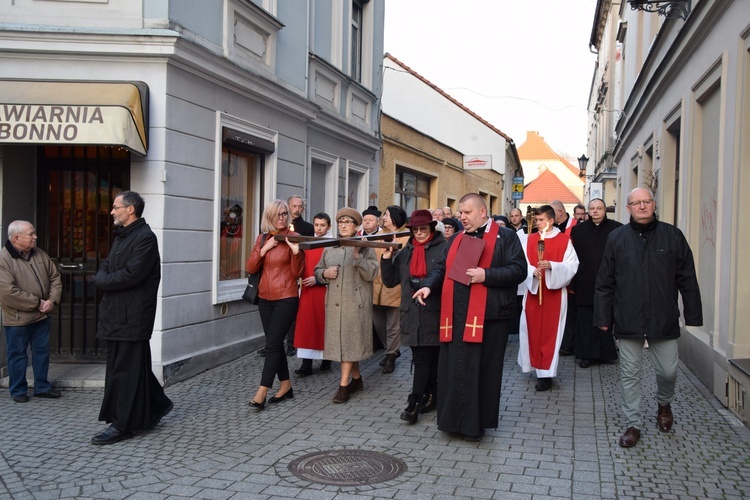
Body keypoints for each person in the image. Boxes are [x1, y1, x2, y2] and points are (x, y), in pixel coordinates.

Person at [594, 188, 702, 448]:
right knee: (629, 373)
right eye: (636, 203)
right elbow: (605, 281)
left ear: (654, 204)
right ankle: (633, 424)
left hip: (662, 318)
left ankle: (664, 404)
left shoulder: (672, 236)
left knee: (668, 371)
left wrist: (693, 314)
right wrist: (602, 316)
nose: (642, 207)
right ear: (628, 208)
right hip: (627, 317)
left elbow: (687, 277)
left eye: (646, 202)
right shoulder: (617, 238)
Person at [413, 193, 526, 440]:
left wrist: (487, 275)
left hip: (490, 317)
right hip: (457, 315)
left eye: (467, 212)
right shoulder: (455, 240)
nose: (461, 217)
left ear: (483, 212)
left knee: (483, 372)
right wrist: (429, 286)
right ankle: (452, 422)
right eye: (460, 213)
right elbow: (442, 268)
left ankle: (476, 426)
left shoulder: (505, 237)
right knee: (454, 369)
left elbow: (519, 270)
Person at [92, 191, 173, 445]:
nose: (112, 211)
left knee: (125, 371)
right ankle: (156, 405)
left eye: (116, 207)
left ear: (131, 210)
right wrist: (103, 277)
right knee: (129, 366)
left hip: (132, 317)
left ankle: (122, 426)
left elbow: (131, 275)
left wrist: (102, 281)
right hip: (116, 315)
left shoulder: (145, 238)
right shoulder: (122, 237)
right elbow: (106, 265)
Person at [381, 209, 448, 424]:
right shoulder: (406, 252)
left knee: (431, 359)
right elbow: (390, 281)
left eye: (423, 229)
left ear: (430, 228)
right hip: (411, 312)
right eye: (415, 229)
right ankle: (420, 400)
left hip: (434, 311)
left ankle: (423, 398)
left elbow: (443, 275)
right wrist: (386, 258)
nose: (419, 233)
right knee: (421, 359)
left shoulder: (443, 248)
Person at [315, 208, 379, 403]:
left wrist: (358, 256)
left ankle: (343, 386)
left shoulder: (366, 247)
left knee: (349, 342)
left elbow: (372, 274)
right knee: (348, 344)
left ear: (356, 226)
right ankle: (357, 380)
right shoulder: (330, 247)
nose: (343, 225)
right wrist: (324, 274)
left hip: (355, 305)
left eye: (348, 222)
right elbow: (318, 269)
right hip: (335, 304)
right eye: (341, 221)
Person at [246, 200, 305, 411]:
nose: (282, 217)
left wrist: (295, 252)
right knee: (275, 343)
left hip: (286, 298)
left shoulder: (295, 238)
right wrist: (264, 249)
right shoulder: (262, 238)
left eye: (284, 214)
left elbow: (298, 273)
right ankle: (286, 385)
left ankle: (262, 390)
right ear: (269, 217)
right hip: (264, 298)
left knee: (271, 344)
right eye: (277, 214)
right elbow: (250, 267)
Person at [518, 205, 579, 392]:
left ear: (551, 220)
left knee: (550, 333)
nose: (538, 223)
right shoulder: (529, 239)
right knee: (533, 330)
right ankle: (534, 365)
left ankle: (546, 374)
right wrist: (531, 271)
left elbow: (572, 265)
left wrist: (552, 266)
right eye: (536, 220)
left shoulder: (564, 240)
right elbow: (522, 263)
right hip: (534, 293)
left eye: (542, 220)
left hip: (554, 294)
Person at [0, 221, 62, 403]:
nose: (35, 237)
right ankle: (18, 390)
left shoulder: (40, 254)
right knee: (17, 354)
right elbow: (7, 292)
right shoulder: (3, 260)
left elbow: (55, 277)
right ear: (16, 238)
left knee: (42, 352)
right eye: (31, 234)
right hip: (18, 318)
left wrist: (52, 301)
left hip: (42, 315)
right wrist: (38, 303)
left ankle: (42, 387)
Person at [570, 198, 621, 368]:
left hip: (609, 282)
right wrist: (573, 283)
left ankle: (606, 353)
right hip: (584, 281)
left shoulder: (617, 229)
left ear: (605, 210)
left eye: (599, 208)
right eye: (592, 208)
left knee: (605, 318)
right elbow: (573, 258)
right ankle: (586, 355)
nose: (595, 211)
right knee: (585, 320)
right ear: (588, 211)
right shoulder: (578, 231)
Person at [293, 213, 332, 376]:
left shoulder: (332, 245)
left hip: (325, 291)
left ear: (329, 226)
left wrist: (318, 279)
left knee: (324, 325)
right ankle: (306, 363)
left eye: (323, 225)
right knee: (307, 326)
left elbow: (335, 269)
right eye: (316, 225)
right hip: (307, 291)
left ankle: (327, 358)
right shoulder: (308, 243)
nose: (319, 228)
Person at [373, 205, 409, 374]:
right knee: (379, 324)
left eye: (386, 215)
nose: (383, 218)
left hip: (394, 287)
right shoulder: (379, 236)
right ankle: (391, 349)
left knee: (393, 326)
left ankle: (391, 357)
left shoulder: (405, 238)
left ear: (394, 217)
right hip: (375, 287)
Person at [551, 200, 578, 357]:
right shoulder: (553, 228)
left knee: (571, 314)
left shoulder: (575, 227)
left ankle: (569, 343)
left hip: (571, 277)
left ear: (559, 213)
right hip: (555, 276)